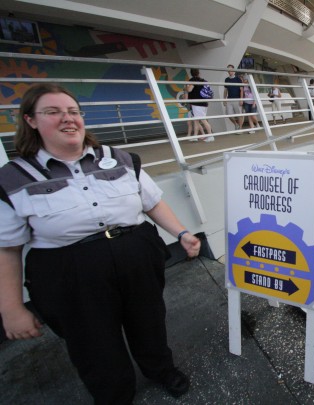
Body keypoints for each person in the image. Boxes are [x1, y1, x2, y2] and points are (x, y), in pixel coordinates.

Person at [0, 83, 201, 404]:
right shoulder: (13, 179)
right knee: (93, 343)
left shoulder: (119, 158)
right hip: (69, 274)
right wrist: (11, 309)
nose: (67, 118)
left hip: (136, 255)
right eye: (52, 112)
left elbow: (152, 203)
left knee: (149, 322)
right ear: (31, 121)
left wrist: (181, 233)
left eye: (73, 111)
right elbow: (7, 249)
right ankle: (114, 395)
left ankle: (161, 369)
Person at [186, 68, 214, 141]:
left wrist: (186, 87)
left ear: (191, 73)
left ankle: (211, 136)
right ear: (199, 73)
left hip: (197, 103)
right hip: (204, 103)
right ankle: (195, 137)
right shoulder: (203, 81)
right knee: (196, 120)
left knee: (203, 120)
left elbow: (189, 90)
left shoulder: (192, 80)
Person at [224, 64, 244, 132]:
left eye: (231, 70)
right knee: (229, 114)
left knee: (239, 114)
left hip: (237, 99)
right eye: (228, 70)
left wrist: (241, 99)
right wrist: (224, 99)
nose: (229, 72)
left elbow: (241, 90)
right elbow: (225, 90)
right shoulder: (226, 80)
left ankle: (240, 129)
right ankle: (236, 124)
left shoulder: (238, 79)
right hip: (229, 99)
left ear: (234, 71)